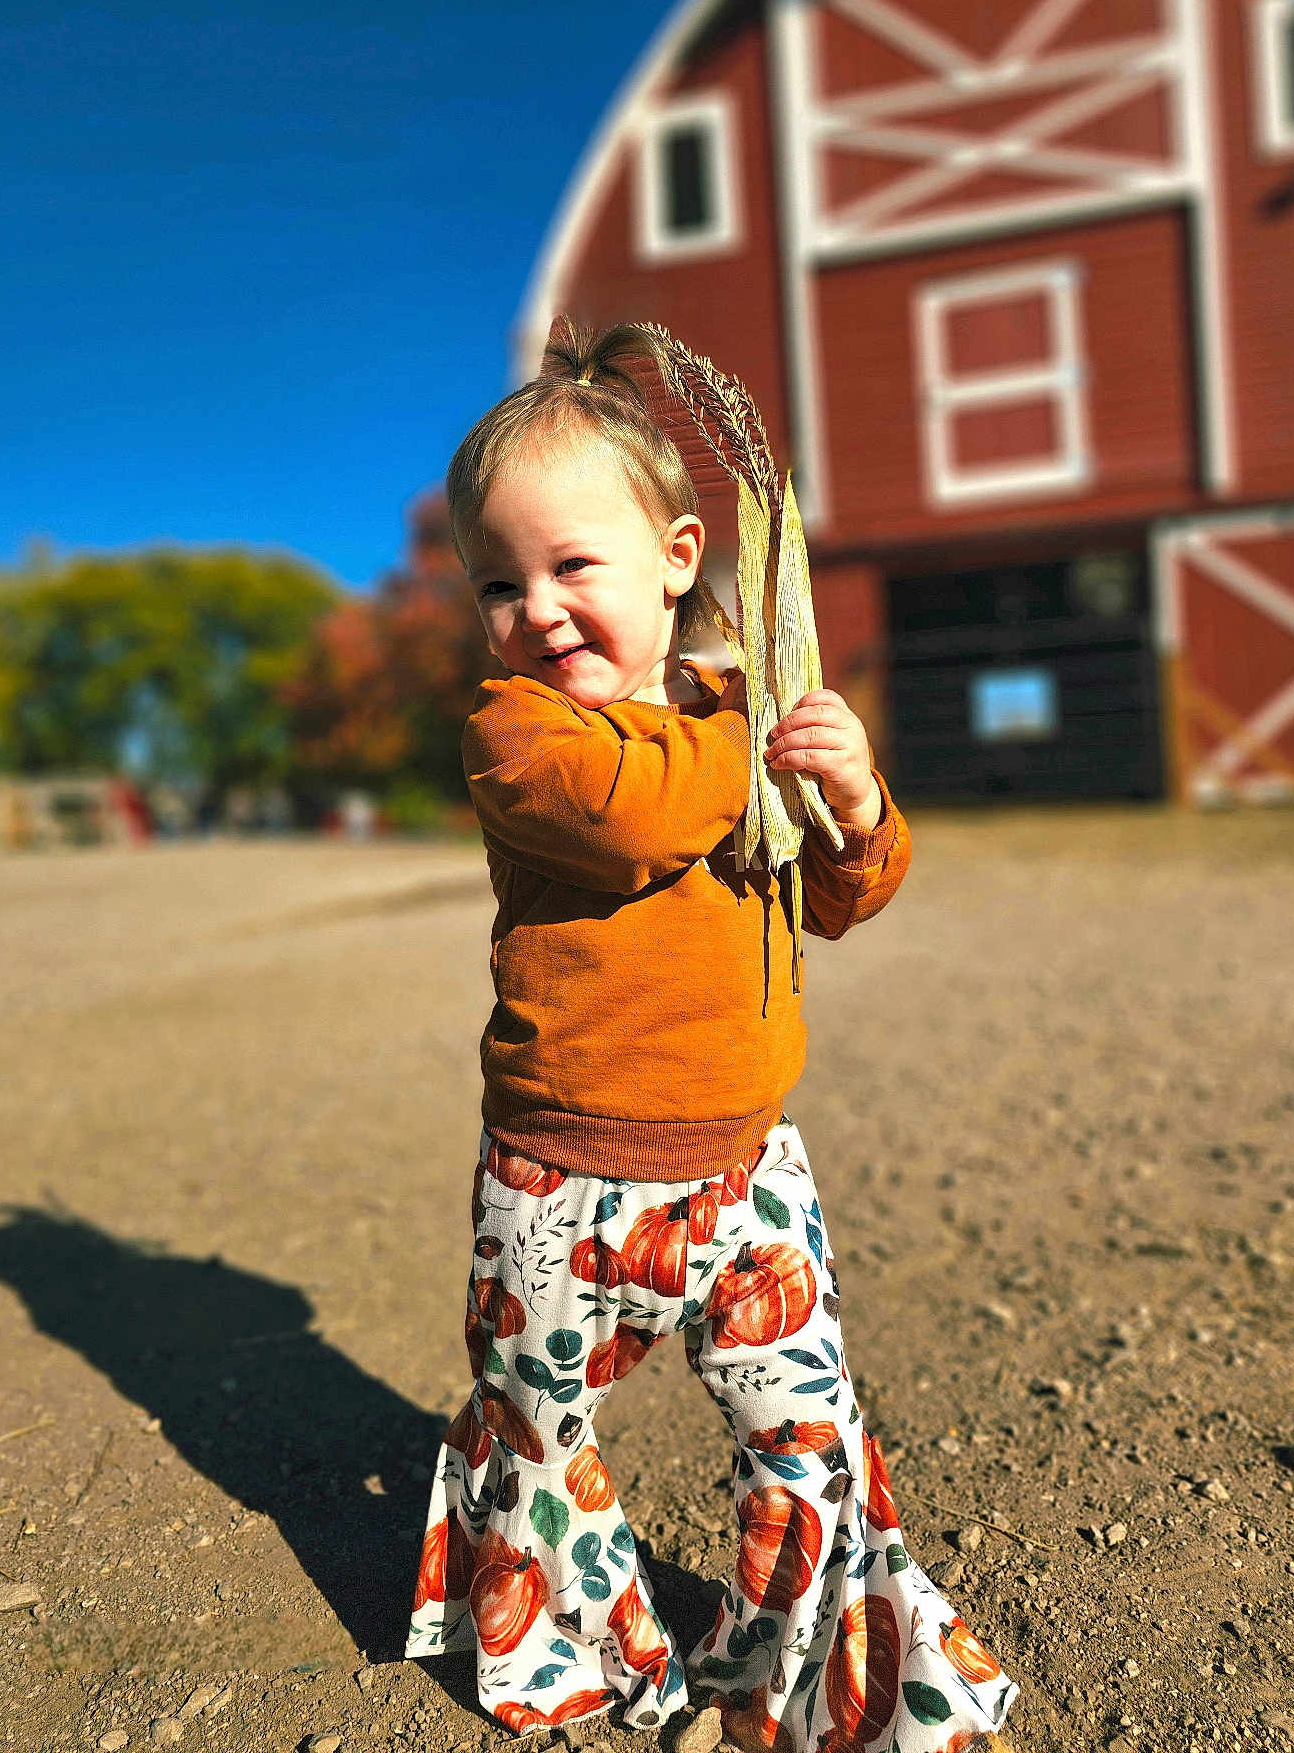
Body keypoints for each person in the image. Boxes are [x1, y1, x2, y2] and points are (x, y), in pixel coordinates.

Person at [404, 318, 1019, 1753]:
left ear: (679, 556)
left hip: (748, 1173)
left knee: (808, 1438)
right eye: (499, 585)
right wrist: (759, 736)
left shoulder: (741, 713)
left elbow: (837, 896)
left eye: (573, 566)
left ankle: (802, 1685)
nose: (538, 611)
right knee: (538, 1431)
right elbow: (639, 819)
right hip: (559, 1174)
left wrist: (855, 802)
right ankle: (571, 1655)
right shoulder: (521, 736)